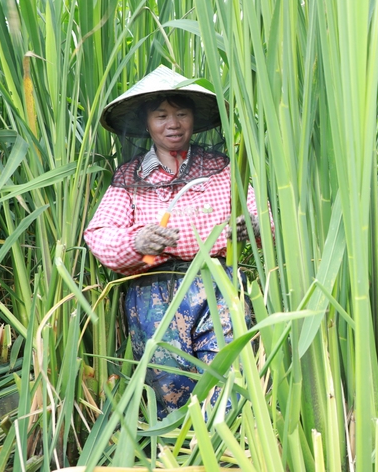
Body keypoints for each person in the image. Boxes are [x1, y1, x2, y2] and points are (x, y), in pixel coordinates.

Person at [84, 65, 263, 416]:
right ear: (146, 123)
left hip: (218, 282)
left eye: (181, 114)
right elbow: (100, 235)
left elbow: (264, 215)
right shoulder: (129, 177)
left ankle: (226, 456)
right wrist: (139, 241)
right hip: (153, 292)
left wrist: (251, 226)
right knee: (168, 383)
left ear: (194, 119)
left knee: (227, 371)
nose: (173, 124)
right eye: (161, 115)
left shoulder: (222, 167)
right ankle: (177, 456)